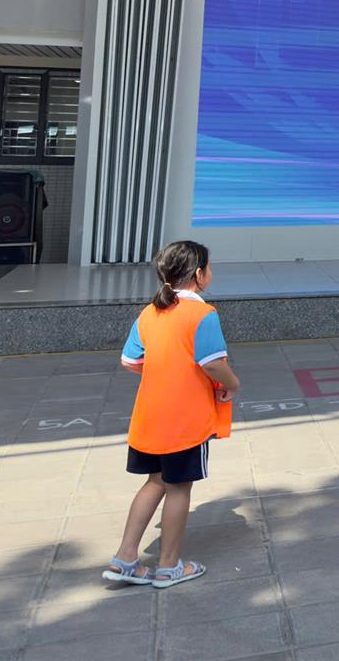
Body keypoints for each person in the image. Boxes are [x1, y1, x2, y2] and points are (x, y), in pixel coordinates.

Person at [104, 240, 239, 590]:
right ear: (199, 274)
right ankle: (168, 566)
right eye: (209, 268)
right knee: (179, 488)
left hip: (150, 414)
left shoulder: (150, 312)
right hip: (186, 419)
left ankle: (125, 558)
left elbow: (130, 360)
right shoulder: (203, 314)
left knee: (155, 482)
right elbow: (212, 364)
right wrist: (233, 383)